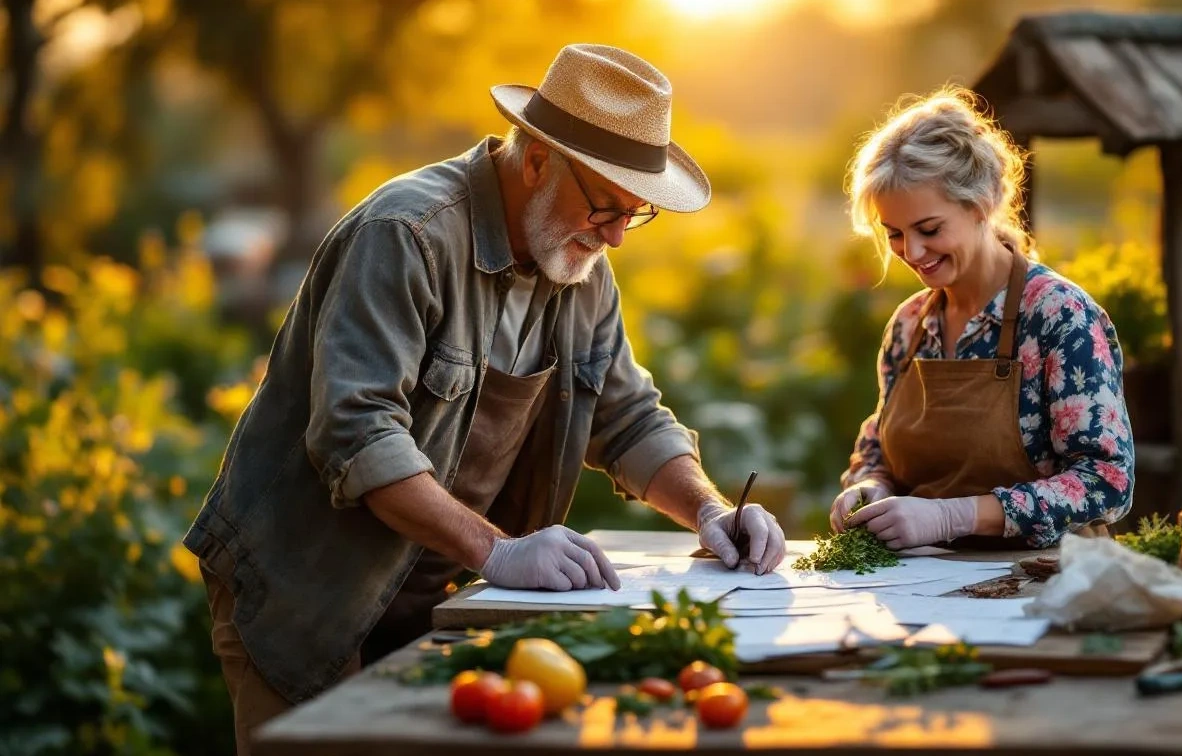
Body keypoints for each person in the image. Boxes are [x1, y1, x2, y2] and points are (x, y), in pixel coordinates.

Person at [183, 44, 786, 755]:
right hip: (307, 588)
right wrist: (500, 554)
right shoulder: (405, 237)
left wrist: (709, 509)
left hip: (435, 592)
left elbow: (627, 418)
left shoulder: (583, 270)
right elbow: (357, 434)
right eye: (605, 207)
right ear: (536, 162)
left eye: (637, 213)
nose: (618, 235)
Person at [830, 86, 1134, 550]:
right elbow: (878, 443)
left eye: (929, 229)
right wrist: (869, 485)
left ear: (981, 204)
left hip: (1047, 579)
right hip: (920, 588)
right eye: (894, 234)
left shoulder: (1057, 316)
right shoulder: (910, 326)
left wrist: (954, 516)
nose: (912, 252)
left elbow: (1107, 482)